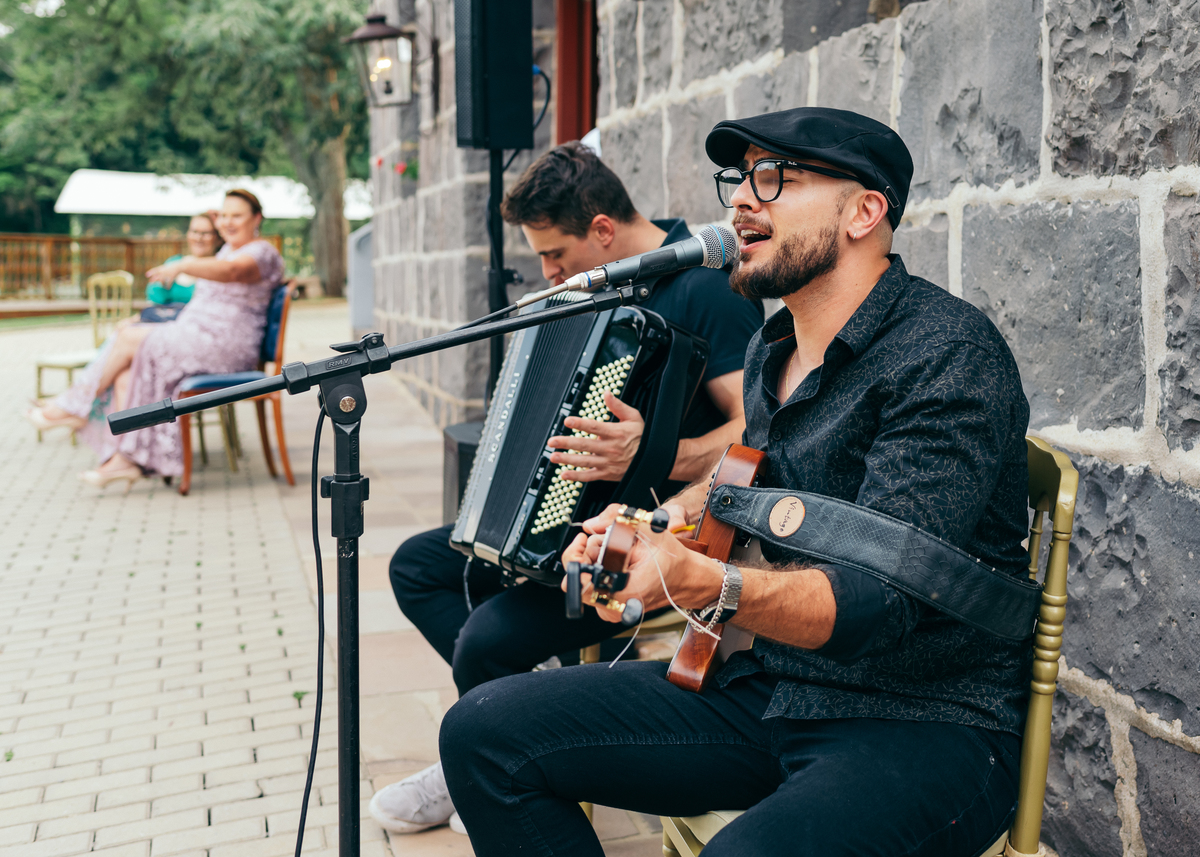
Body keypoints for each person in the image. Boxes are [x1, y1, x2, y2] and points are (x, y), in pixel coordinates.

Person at [437, 107, 1034, 857]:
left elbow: (875, 604)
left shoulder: (945, 354)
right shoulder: (771, 348)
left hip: (922, 717)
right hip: (772, 684)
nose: (742, 201)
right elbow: (742, 486)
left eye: (774, 178)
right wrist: (648, 528)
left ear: (864, 211)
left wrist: (699, 581)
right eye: (740, 179)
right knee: (483, 731)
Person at [370, 142, 764, 835]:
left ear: (603, 229)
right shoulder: (604, 284)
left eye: (555, 253)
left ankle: (486, 753)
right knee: (420, 566)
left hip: (640, 541)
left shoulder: (705, 287)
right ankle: (499, 731)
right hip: (558, 521)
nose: (549, 272)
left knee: (487, 639)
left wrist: (658, 451)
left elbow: (754, 433)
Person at [26, 189, 284, 489]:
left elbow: (233, 271)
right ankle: (126, 458)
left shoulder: (261, 252)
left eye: (236, 216)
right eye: (224, 215)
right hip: (196, 338)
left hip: (225, 347)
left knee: (127, 340)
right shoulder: (227, 249)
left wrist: (183, 264)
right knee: (124, 371)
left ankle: (74, 406)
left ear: (256, 218)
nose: (227, 222)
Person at [139, 212, 224, 323]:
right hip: (161, 321)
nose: (198, 238)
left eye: (205, 233)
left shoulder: (220, 267)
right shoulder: (174, 261)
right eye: (194, 232)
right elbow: (154, 299)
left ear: (218, 238)